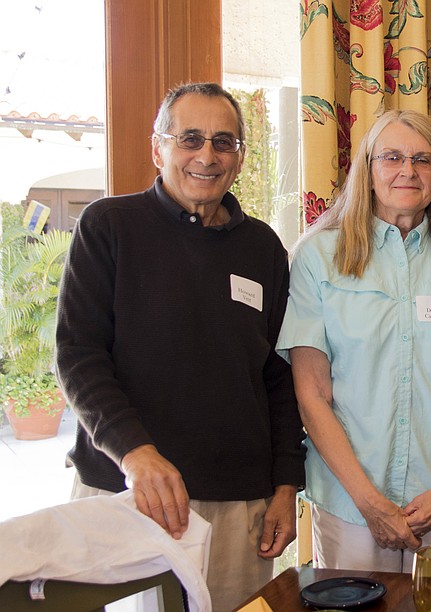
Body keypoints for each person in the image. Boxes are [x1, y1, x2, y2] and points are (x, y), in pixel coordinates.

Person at [55, 82, 306, 610]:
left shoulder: (262, 247)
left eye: (224, 141)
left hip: (240, 506)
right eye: (189, 138)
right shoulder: (108, 226)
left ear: (239, 157)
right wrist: (134, 452)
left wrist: (286, 484)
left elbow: (279, 378)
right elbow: (79, 356)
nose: (206, 155)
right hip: (127, 494)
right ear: (158, 148)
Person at [278, 109, 431, 572]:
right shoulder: (319, 257)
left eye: (423, 159)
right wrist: (369, 502)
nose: (408, 170)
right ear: (368, 169)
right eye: (392, 156)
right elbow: (311, 393)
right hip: (350, 504)